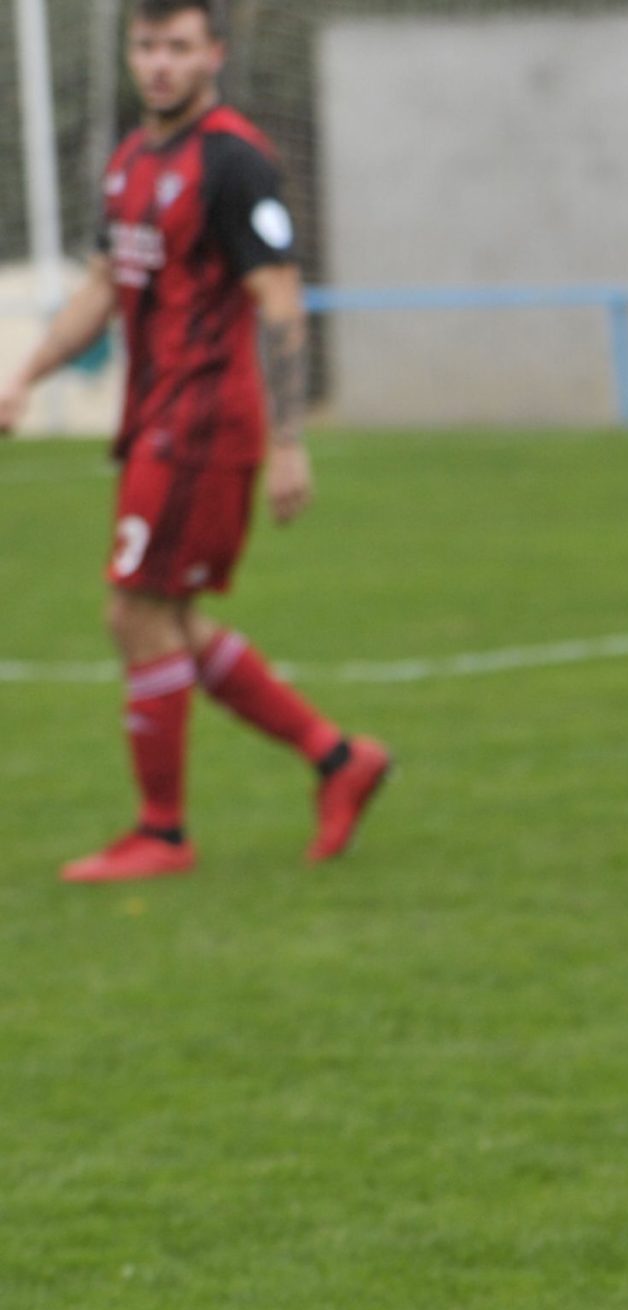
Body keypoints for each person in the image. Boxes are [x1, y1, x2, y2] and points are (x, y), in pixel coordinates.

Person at [0, 0, 391, 883]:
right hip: (155, 418)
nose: (160, 64)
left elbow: (281, 302)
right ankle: (338, 760)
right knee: (168, 616)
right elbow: (105, 286)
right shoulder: (132, 161)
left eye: (179, 47)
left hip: (205, 422)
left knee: (133, 612)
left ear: (213, 53)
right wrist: (26, 374)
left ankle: (163, 834)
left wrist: (290, 440)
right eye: (146, 46)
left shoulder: (234, 160)